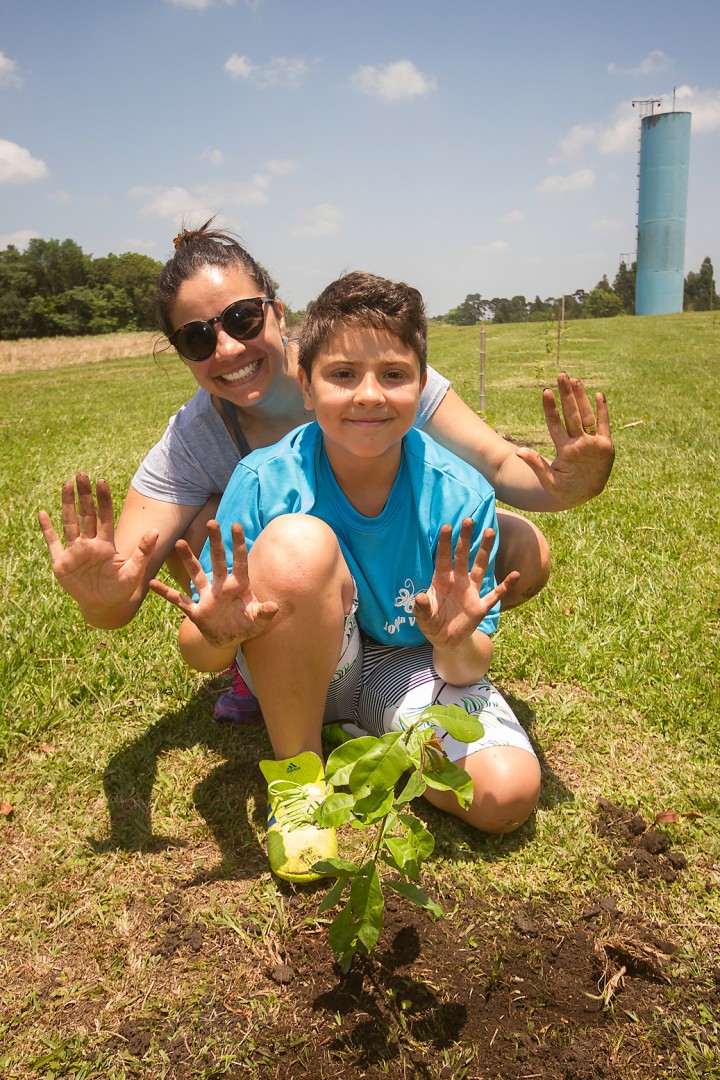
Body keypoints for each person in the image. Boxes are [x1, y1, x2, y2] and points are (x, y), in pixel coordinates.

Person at [38, 222, 613, 721]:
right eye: (197, 337)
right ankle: (269, 666)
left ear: (277, 312)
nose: (228, 348)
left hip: (388, 558)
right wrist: (102, 598)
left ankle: (415, 643)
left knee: (523, 547)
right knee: (206, 527)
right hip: (287, 584)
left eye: (242, 318)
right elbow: (124, 582)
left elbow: (495, 461)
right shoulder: (193, 439)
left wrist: (568, 488)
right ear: (179, 351)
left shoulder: (371, 371)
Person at [149, 271, 543, 884]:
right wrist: (220, 634)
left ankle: (361, 732)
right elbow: (198, 655)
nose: (368, 395)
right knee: (297, 543)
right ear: (306, 386)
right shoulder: (263, 481)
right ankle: (300, 777)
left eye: (394, 375)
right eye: (342, 374)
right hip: (305, 664)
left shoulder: (461, 495)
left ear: (421, 386)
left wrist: (454, 639)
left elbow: (466, 668)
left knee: (505, 796)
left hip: (409, 666)